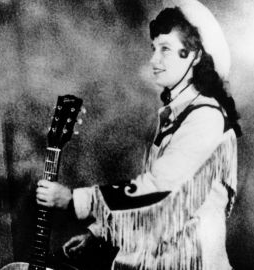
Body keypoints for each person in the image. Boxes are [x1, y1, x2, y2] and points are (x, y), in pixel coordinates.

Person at [36, 1, 241, 269]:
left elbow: (159, 191)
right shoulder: (175, 116)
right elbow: (153, 214)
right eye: (153, 48)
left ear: (195, 56)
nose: (154, 60)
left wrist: (75, 200)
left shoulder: (206, 117)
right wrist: (98, 233)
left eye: (165, 49)